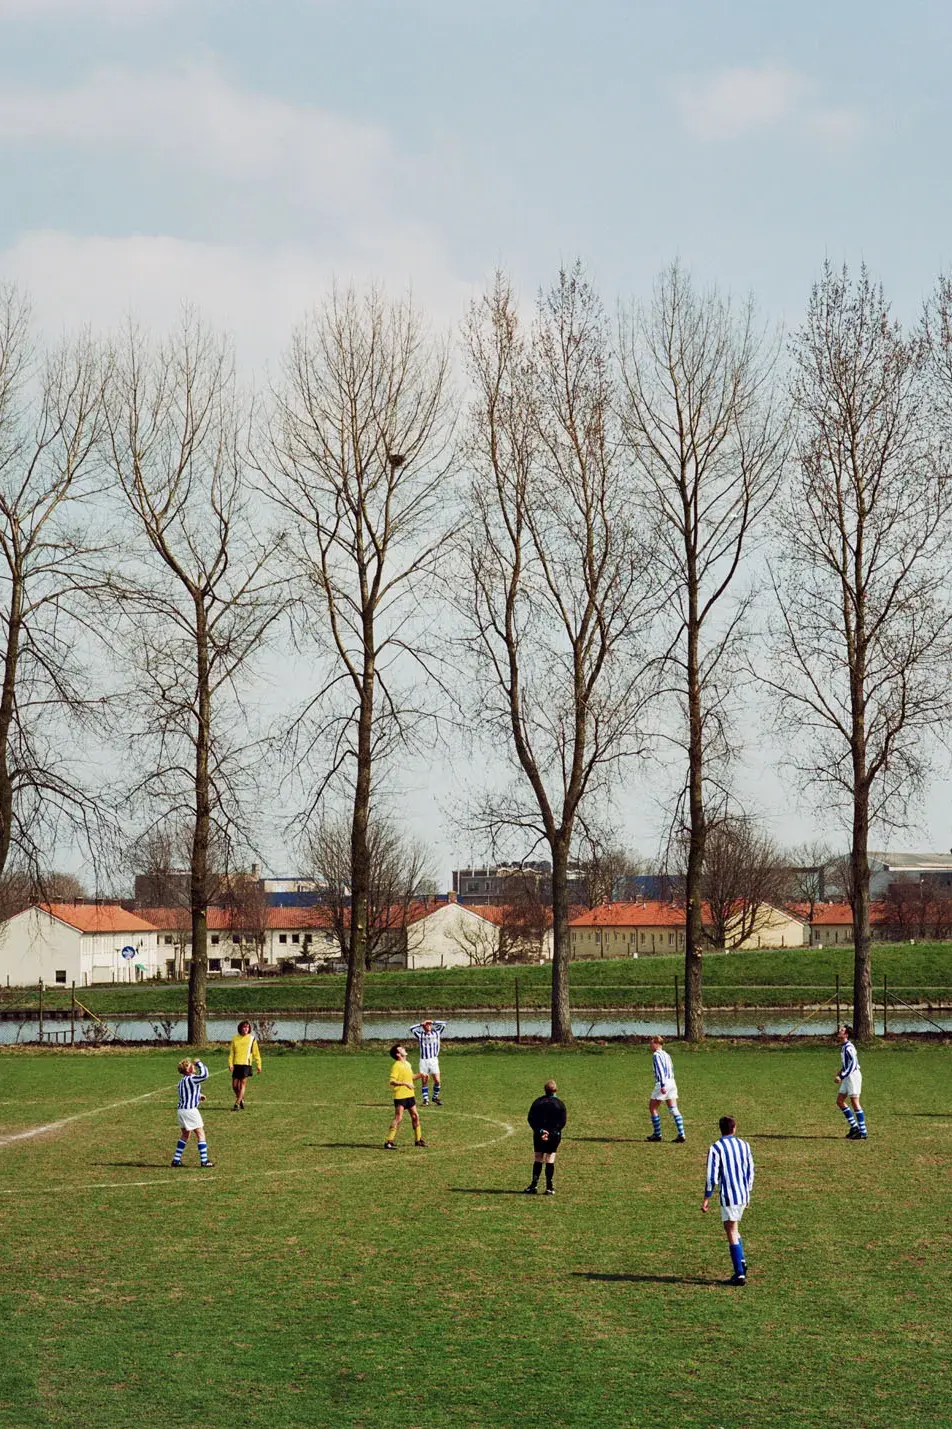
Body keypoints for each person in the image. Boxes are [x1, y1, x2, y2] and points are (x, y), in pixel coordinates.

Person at [701, 1115, 754, 1285]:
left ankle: (739, 1273)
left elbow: (711, 1176)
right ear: (734, 1128)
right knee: (733, 1227)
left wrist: (707, 1197)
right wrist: (748, 1192)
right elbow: (750, 1170)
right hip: (742, 1194)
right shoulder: (744, 1145)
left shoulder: (716, 1148)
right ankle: (742, 1263)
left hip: (729, 1195)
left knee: (730, 1230)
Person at [523, 1079, 567, 1195]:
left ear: (545, 1090)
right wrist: (551, 1133)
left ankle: (534, 1185)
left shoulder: (538, 1102)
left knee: (538, 1157)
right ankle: (549, 1187)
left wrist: (541, 1131)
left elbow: (531, 1118)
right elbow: (562, 1122)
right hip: (554, 1136)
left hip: (539, 1135)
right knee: (550, 1158)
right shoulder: (559, 1104)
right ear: (556, 1090)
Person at [171, 1057, 214, 1168]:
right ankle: (204, 1161)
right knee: (200, 1133)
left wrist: (198, 1096)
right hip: (190, 1111)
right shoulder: (192, 1078)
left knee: (185, 1134)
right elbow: (205, 1075)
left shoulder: (181, 1082)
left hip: (181, 1111)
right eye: (191, 1066)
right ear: (187, 1069)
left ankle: (176, 1160)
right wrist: (199, 1063)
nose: (193, 1067)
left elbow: (186, 1094)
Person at [384, 1044, 426, 1150]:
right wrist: (405, 1084)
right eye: (401, 1049)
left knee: (415, 1116)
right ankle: (389, 1141)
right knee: (398, 1117)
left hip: (410, 1094)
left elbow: (411, 1077)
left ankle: (418, 1140)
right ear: (398, 1054)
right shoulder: (396, 1066)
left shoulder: (407, 1064)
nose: (404, 1049)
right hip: (400, 1095)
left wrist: (420, 1075)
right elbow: (392, 1081)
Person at [645, 1035, 686, 1142]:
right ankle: (681, 1134)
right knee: (673, 1108)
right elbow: (671, 1069)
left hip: (663, 1083)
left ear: (657, 1044)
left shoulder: (656, 1055)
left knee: (653, 1108)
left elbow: (660, 1070)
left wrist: (662, 1085)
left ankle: (657, 1134)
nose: (650, 1045)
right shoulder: (667, 1055)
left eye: (652, 1043)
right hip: (672, 1082)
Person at [835, 1024, 867, 1139]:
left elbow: (853, 1065)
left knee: (855, 1102)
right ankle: (854, 1127)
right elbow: (847, 1064)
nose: (839, 1030)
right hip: (847, 1077)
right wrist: (840, 1073)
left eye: (842, 1030)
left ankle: (863, 1132)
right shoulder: (844, 1047)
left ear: (846, 1035)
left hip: (853, 1077)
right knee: (840, 1101)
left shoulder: (849, 1047)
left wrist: (842, 1076)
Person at [409, 1018, 446, 1105]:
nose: (428, 1026)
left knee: (437, 1080)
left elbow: (444, 1023)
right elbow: (411, 1028)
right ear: (423, 1027)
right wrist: (421, 1023)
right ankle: (426, 1100)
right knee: (424, 1079)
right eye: (426, 1025)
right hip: (424, 1060)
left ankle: (435, 1097)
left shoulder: (437, 1032)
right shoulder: (420, 1035)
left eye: (429, 1025)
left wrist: (433, 1022)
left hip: (434, 1060)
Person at [228, 1020, 262, 1111]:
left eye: (247, 1027)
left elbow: (256, 1053)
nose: (246, 1029)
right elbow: (232, 1053)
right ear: (240, 1028)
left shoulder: (252, 1039)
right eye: (244, 1027)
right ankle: (241, 1099)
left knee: (242, 1084)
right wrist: (230, 1064)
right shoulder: (235, 1038)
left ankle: (237, 1103)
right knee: (235, 1085)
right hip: (236, 1064)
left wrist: (259, 1065)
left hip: (246, 1064)